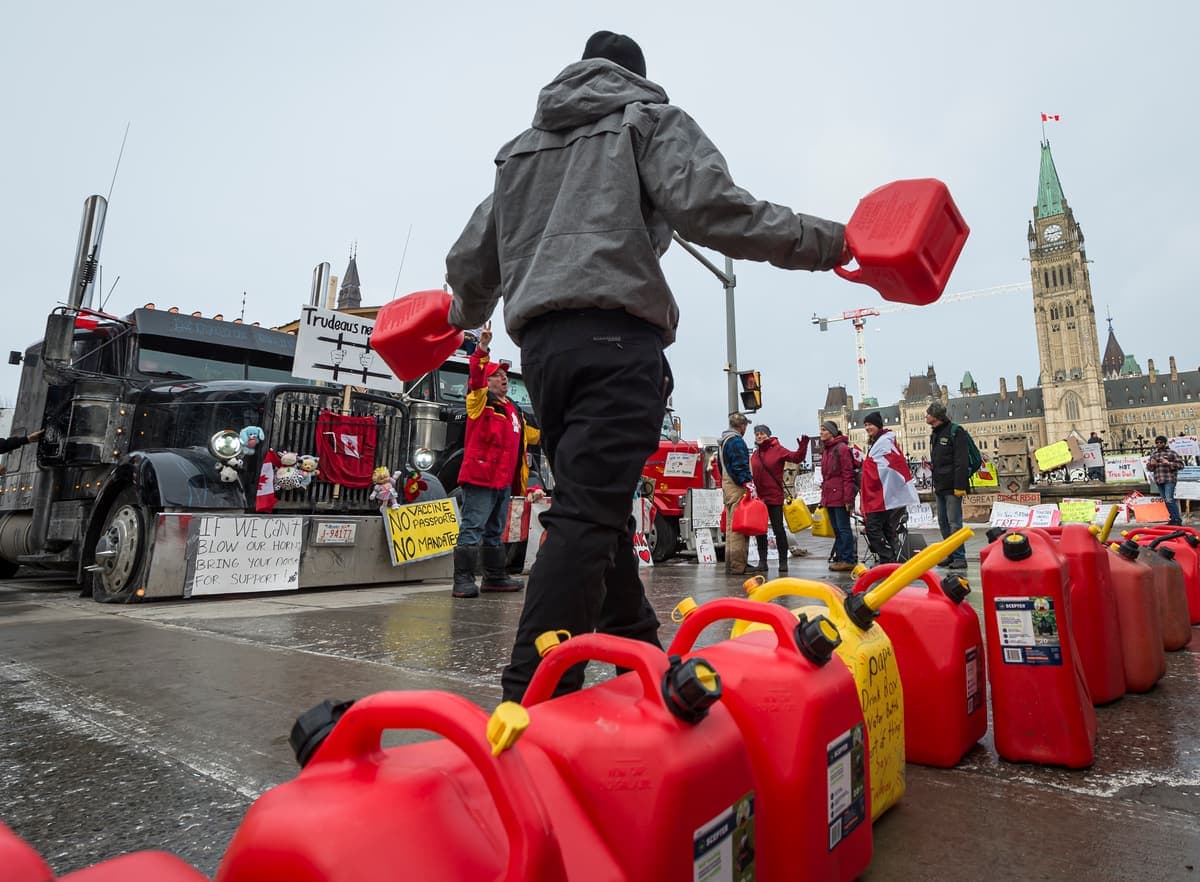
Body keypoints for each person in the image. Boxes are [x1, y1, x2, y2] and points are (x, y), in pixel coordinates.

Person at [445, 31, 851, 701]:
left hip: (543, 357)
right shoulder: (646, 120)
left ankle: (647, 667)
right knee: (583, 519)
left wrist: (465, 309)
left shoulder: (520, 152)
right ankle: (532, 699)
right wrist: (831, 243)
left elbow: (471, 263)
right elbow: (721, 210)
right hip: (615, 342)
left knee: (593, 507)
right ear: (634, 77)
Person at [451, 321, 541, 599]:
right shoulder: (479, 403)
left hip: (503, 482)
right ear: (486, 382)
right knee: (473, 527)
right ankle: (463, 580)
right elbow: (475, 377)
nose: (503, 377)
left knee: (495, 531)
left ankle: (494, 577)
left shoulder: (513, 410)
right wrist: (482, 348)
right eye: (496, 375)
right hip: (481, 479)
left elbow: (534, 438)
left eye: (504, 374)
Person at [860, 412, 919, 564]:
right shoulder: (879, 442)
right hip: (881, 494)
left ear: (878, 425)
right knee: (886, 528)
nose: (867, 428)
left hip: (881, 495)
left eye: (870, 424)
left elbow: (886, 467)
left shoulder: (883, 442)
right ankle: (892, 559)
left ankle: (888, 558)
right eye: (865, 425)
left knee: (873, 529)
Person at [750, 424, 809, 573]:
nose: (759, 436)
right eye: (757, 434)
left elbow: (797, 458)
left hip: (774, 496)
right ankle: (762, 562)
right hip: (759, 499)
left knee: (778, 529)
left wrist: (803, 446)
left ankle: (783, 562)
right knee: (759, 531)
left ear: (768, 435)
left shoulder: (778, 449)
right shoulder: (755, 454)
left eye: (762, 433)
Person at [926, 401, 969, 569]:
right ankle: (950, 553)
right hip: (940, 485)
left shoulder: (956, 432)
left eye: (928, 413)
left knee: (954, 523)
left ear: (936, 416)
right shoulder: (935, 434)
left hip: (952, 486)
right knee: (943, 522)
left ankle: (959, 557)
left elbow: (961, 461)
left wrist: (960, 485)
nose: (926, 416)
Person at [720, 413, 761, 576]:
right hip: (737, 487)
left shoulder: (723, 441)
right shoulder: (736, 441)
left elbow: (720, 467)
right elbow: (740, 465)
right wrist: (748, 483)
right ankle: (738, 566)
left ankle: (731, 564)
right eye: (746, 426)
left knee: (731, 527)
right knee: (739, 528)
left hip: (727, 486)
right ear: (742, 426)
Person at [818, 421, 857, 571]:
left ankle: (847, 558)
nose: (821, 432)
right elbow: (826, 477)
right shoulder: (827, 450)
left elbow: (848, 475)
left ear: (832, 432)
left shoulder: (841, 449)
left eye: (824, 430)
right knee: (837, 528)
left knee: (843, 528)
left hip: (840, 495)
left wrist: (848, 499)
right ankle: (841, 557)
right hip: (830, 495)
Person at [1145, 435, 1184, 526]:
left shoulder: (1171, 453)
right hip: (1159, 480)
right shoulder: (1154, 454)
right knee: (1166, 500)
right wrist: (1151, 465)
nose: (1159, 444)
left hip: (1169, 479)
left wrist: (1168, 463)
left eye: (1161, 442)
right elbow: (1149, 468)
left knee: (1169, 499)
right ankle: (1173, 518)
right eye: (1157, 442)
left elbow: (1181, 465)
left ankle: (1177, 519)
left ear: (1164, 443)